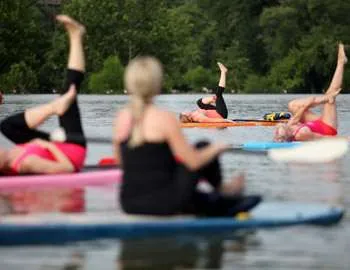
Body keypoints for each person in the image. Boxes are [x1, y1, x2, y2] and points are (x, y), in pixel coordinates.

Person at [113, 56, 261, 217]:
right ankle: (223, 191)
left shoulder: (121, 118)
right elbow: (193, 161)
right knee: (203, 146)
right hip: (164, 203)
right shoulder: (165, 118)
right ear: (157, 85)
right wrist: (217, 147)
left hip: (128, 203)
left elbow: (121, 162)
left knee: (201, 196)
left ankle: (220, 197)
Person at [0, 15, 87, 174]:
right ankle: (76, 36)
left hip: (56, 143)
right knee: (69, 91)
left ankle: (55, 107)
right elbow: (67, 168)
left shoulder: (12, 156)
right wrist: (49, 146)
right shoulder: (25, 164)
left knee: (7, 127)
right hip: (71, 150)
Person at [273, 43, 347, 142]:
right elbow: (323, 138)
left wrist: (309, 103)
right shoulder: (301, 135)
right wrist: (346, 139)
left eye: (277, 131)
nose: (278, 128)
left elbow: (300, 112)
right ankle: (341, 62)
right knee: (331, 94)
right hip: (328, 128)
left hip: (317, 122)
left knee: (292, 105)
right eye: (279, 132)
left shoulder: (290, 125)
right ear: (287, 135)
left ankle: (324, 98)